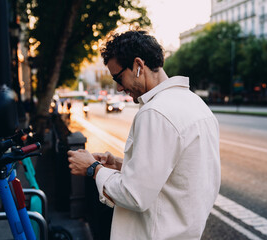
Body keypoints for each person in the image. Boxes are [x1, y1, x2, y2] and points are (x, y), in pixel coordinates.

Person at [68, 30, 221, 240]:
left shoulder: (155, 112)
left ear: (139, 66)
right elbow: (179, 175)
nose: (119, 87)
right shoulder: (197, 105)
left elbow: (134, 195)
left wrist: (93, 169)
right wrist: (121, 165)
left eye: (118, 77)